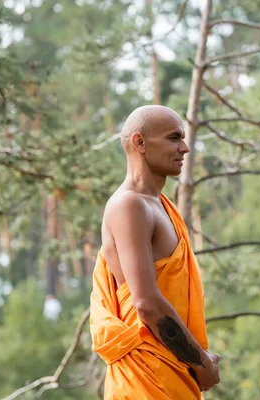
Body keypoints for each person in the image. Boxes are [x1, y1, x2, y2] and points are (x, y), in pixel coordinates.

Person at [90, 105, 220, 399]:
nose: (185, 148)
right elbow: (146, 303)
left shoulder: (160, 206)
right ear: (140, 142)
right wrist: (200, 362)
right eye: (174, 138)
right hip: (145, 379)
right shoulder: (129, 206)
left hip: (172, 375)